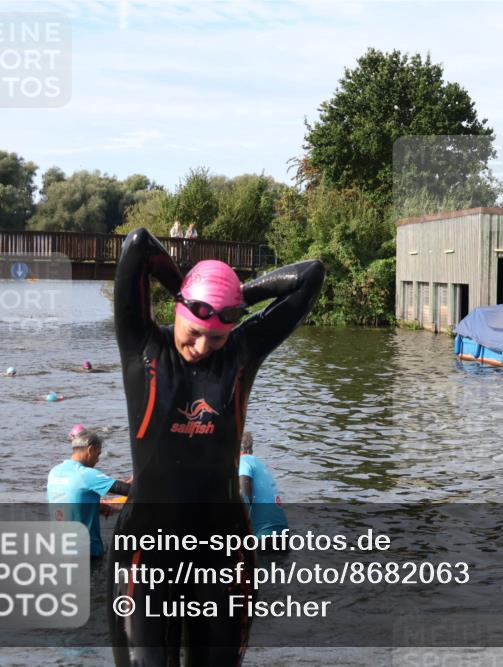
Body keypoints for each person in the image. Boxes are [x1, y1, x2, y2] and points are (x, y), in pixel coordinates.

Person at [109, 227, 323, 666]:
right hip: (144, 548)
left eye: (218, 336)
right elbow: (138, 247)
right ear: (177, 309)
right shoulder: (143, 347)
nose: (204, 346)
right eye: (195, 329)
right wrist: (188, 286)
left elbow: (310, 276)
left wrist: (234, 296)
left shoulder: (242, 352)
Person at [47, 430, 131, 558]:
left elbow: (71, 499)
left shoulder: (54, 472)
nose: (97, 460)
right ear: (91, 449)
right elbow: (127, 490)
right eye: (98, 454)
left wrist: (99, 507)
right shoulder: (86, 474)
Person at [238, 432, 288, 541]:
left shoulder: (243, 462)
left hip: (264, 537)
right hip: (284, 535)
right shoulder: (259, 463)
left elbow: (245, 498)